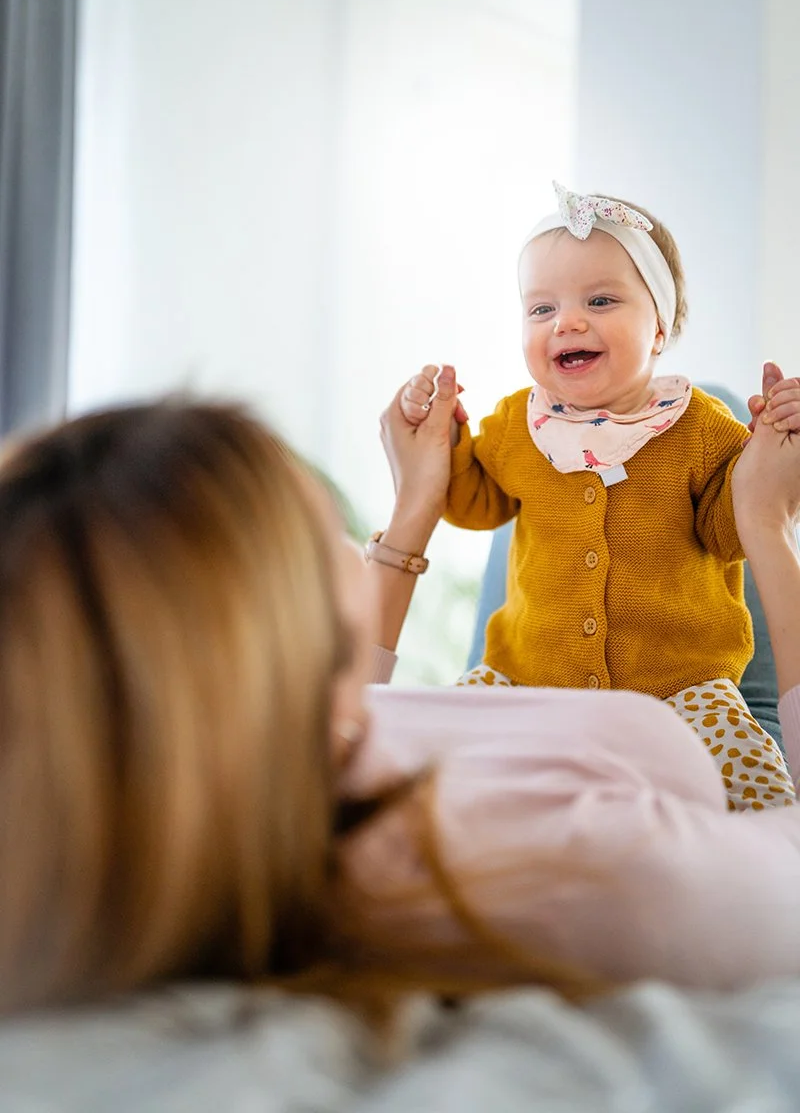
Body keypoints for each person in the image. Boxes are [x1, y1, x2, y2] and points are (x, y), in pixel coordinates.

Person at [2, 366, 800, 1026]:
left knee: (699, 417)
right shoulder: (568, 870)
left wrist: (418, 504)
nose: (357, 546)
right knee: (715, 412)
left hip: (540, 683)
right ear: (272, 631)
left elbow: (347, 689)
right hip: (715, 730)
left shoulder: (256, 760)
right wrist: (766, 524)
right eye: (331, 541)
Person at [398, 182, 800, 811]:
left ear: (660, 327)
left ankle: (772, 867)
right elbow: (473, 503)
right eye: (541, 309)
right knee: (424, 769)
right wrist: (443, 439)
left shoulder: (700, 426)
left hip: (680, 688)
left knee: (757, 786)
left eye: (602, 299)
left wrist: (766, 454)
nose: (568, 322)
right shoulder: (516, 426)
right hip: (524, 678)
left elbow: (732, 531)